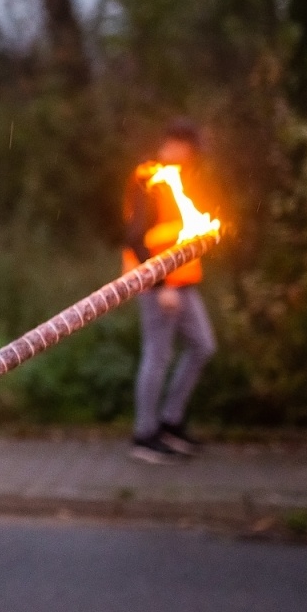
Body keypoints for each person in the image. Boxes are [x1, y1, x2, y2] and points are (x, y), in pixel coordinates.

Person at [123, 119, 217, 465]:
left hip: (183, 282)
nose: (193, 157)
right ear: (175, 143)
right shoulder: (152, 178)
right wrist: (159, 283)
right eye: (190, 149)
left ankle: (170, 422)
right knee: (158, 355)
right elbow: (134, 237)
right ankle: (144, 435)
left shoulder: (179, 178)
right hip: (156, 283)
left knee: (202, 346)